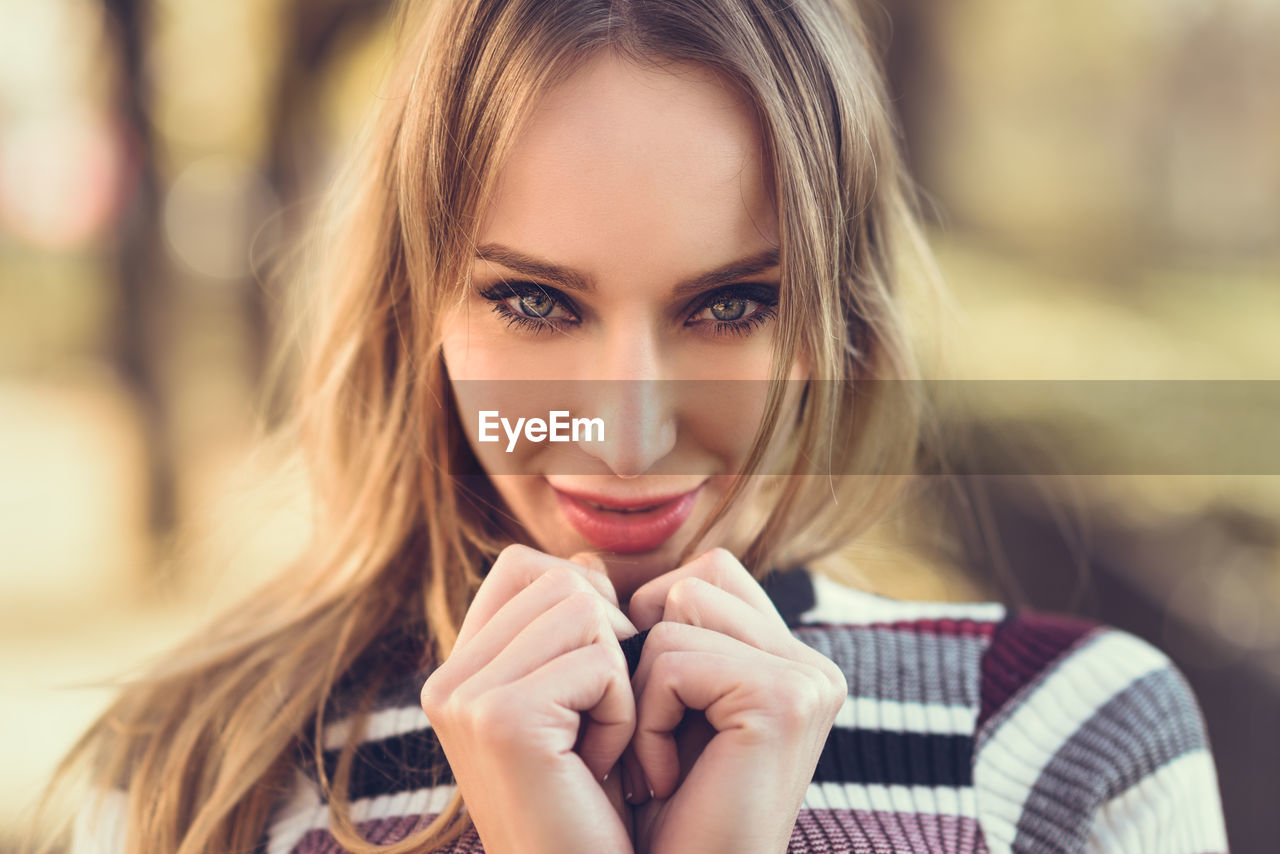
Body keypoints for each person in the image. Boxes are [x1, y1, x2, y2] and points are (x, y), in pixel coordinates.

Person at [30, 0, 1229, 852]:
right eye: (535, 301)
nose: (628, 429)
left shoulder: (1067, 732)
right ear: (421, 306)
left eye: (728, 304)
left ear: (829, 315)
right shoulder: (196, 772)